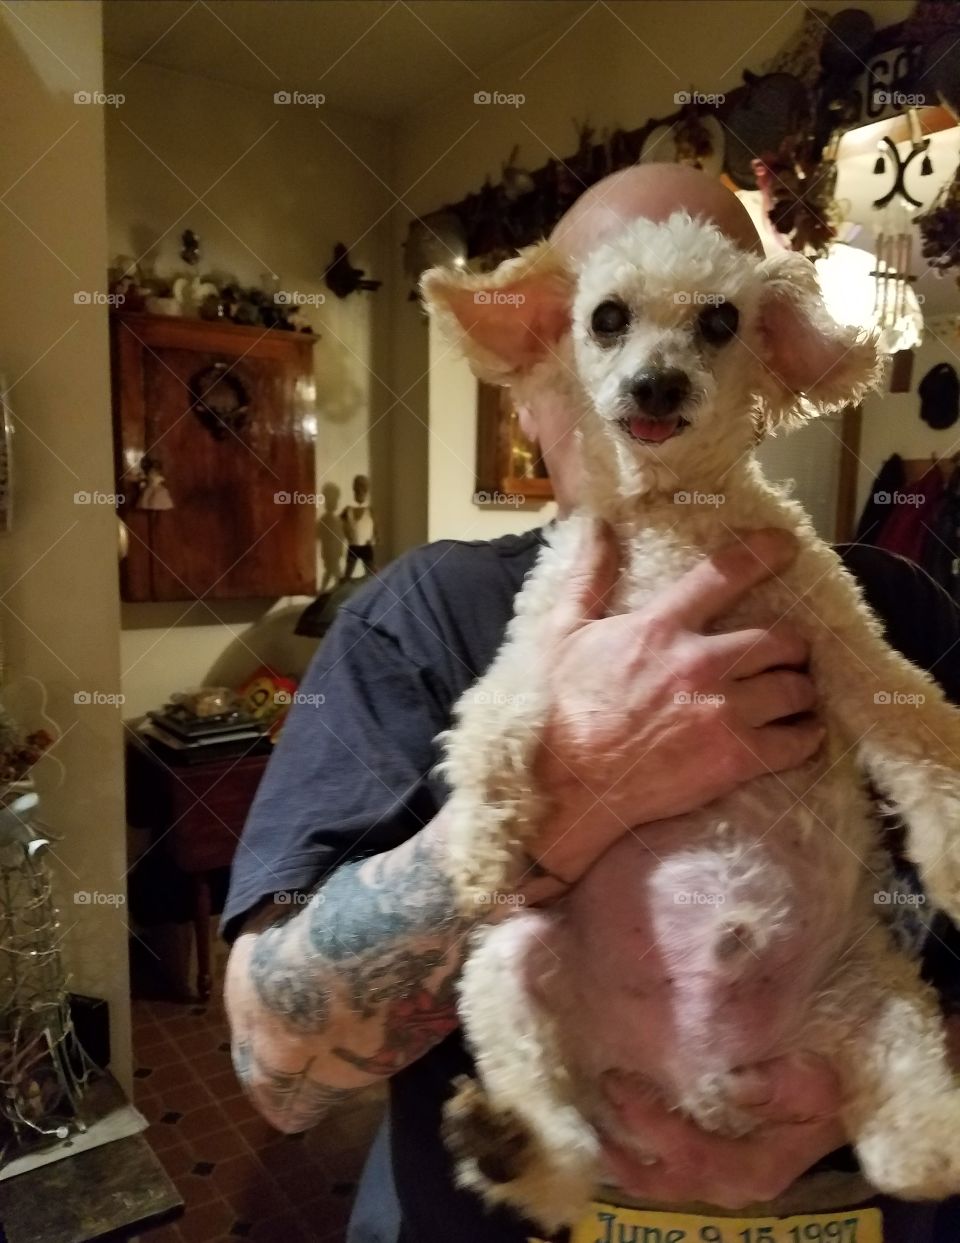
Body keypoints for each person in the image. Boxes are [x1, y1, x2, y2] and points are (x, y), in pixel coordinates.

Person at [222, 167, 960, 1243]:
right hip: (527, 1197)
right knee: (515, 973)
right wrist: (578, 790)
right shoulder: (412, 619)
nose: (657, 375)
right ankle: (541, 1152)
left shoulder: (894, 605)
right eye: (606, 321)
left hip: (858, 1184)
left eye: (714, 327)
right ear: (533, 361)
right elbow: (276, 1070)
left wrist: (890, 1072)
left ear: (766, 359)